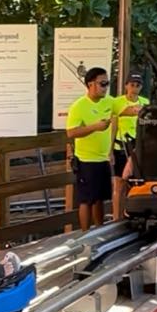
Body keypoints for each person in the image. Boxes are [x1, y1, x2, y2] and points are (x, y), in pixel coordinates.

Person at [65, 67, 115, 229]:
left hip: (103, 158)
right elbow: (71, 132)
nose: (105, 87)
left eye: (107, 83)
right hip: (86, 159)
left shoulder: (110, 101)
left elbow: (124, 109)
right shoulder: (79, 106)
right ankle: (85, 233)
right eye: (102, 84)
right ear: (90, 84)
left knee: (100, 198)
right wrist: (95, 127)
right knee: (86, 199)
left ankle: (99, 229)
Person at [111, 72, 149, 219]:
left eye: (137, 85)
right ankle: (117, 216)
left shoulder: (145, 102)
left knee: (137, 181)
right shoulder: (117, 102)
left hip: (138, 146)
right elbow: (114, 125)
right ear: (126, 86)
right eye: (132, 85)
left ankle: (133, 212)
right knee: (119, 182)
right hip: (121, 146)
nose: (134, 88)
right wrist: (110, 150)